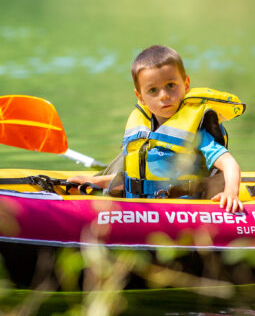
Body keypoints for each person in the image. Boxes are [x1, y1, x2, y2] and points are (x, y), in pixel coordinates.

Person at [68, 45, 245, 212]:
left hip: (182, 211)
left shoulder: (195, 130)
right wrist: (95, 181)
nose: (164, 96)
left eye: (171, 85)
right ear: (140, 96)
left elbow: (230, 164)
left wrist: (230, 193)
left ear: (187, 83)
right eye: (153, 90)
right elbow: (134, 179)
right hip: (140, 209)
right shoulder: (141, 126)